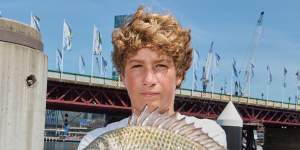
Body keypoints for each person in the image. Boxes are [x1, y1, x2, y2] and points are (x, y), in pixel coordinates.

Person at [78, 6, 226, 149]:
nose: (149, 80)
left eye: (160, 66)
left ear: (179, 74)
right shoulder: (93, 141)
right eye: (137, 66)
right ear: (123, 76)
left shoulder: (209, 132)